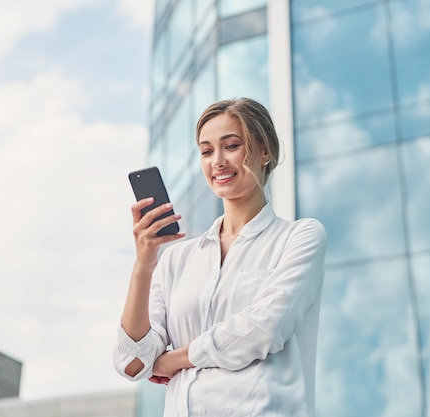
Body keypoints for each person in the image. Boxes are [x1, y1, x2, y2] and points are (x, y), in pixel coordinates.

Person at [113, 98, 326, 416]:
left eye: (232, 146)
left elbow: (264, 329)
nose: (218, 161)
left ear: (264, 151)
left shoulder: (300, 237)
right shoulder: (177, 260)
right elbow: (131, 363)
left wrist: (176, 359)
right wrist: (144, 263)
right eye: (206, 151)